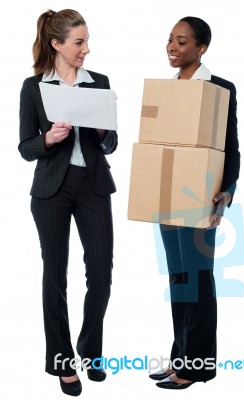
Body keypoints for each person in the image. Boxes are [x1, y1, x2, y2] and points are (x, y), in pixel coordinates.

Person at [18, 9, 118, 397]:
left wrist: (101, 130)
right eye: (79, 43)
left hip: (92, 185)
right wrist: (48, 139)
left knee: (101, 275)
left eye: (87, 41)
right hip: (51, 190)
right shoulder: (33, 87)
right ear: (56, 44)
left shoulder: (100, 83)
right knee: (54, 276)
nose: (86, 50)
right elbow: (25, 147)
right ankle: (61, 360)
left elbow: (110, 143)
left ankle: (90, 350)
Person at [149, 16, 240, 389]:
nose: (172, 46)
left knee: (199, 281)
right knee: (179, 280)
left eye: (182, 42)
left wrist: (228, 189)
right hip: (167, 195)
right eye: (170, 39)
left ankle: (197, 368)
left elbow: (230, 146)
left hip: (200, 196)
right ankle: (179, 360)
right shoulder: (165, 91)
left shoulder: (220, 88)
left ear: (201, 49)